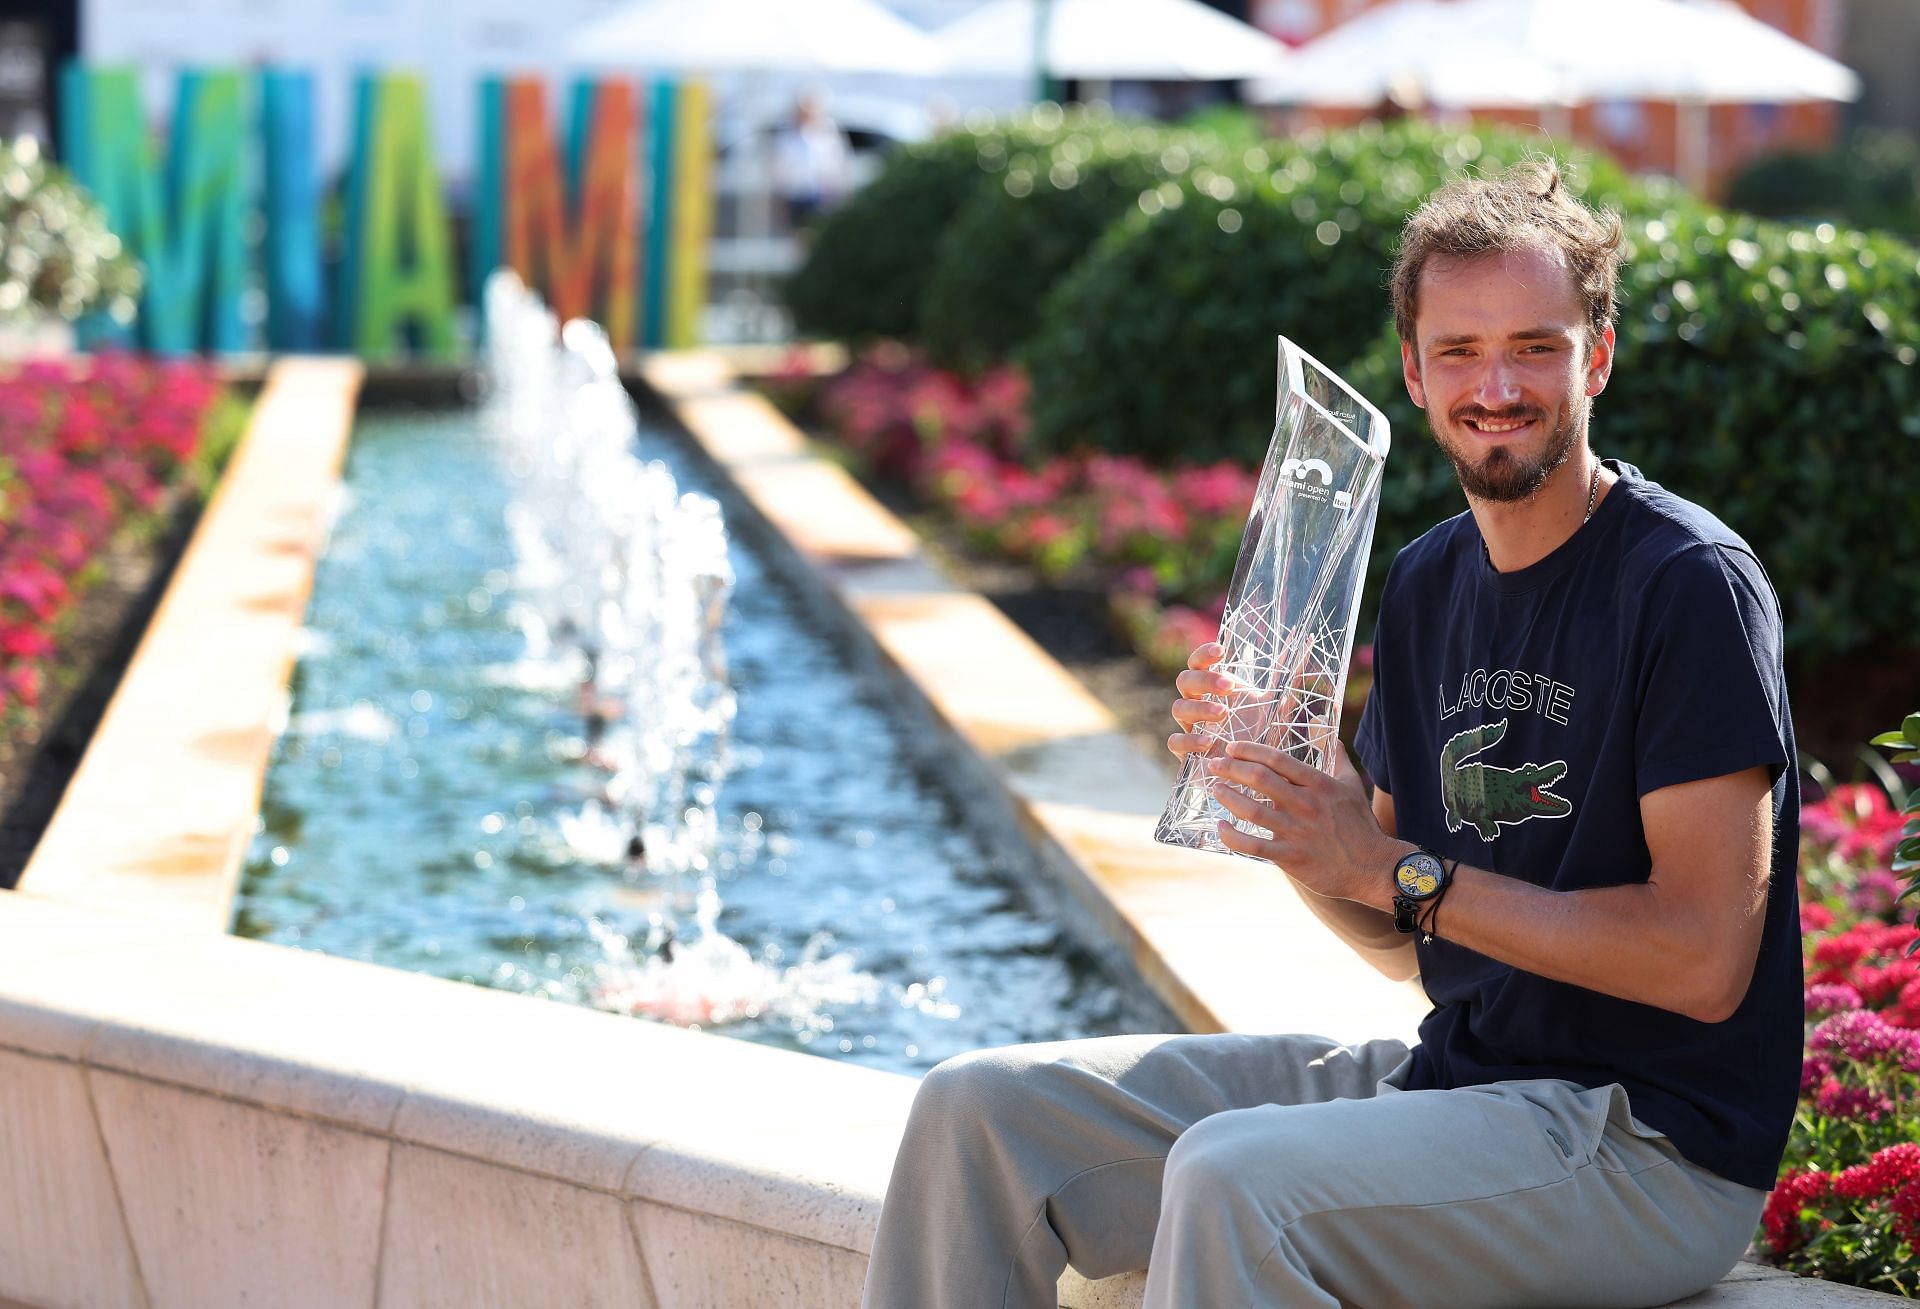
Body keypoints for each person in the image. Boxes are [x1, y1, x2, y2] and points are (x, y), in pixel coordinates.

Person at [860, 160, 1801, 1309]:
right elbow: (1403, 929)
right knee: (981, 1116)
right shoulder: (1428, 580)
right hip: (1463, 1085)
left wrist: (1393, 864)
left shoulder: (1687, 582)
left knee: (1233, 1177)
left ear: (1596, 357)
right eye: (1458, 350)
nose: (1495, 384)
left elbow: (1703, 960)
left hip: (1648, 1145)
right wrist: (1296, 812)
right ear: (1412, 371)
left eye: (1535, 346)